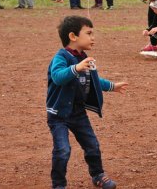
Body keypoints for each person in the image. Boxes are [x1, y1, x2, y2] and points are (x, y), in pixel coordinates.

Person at [47, 15, 128, 189]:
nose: (93, 38)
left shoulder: (84, 58)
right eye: (89, 33)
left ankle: (98, 175)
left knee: (92, 145)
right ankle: (58, 184)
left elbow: (93, 80)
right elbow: (57, 77)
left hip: (77, 112)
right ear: (73, 36)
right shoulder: (61, 57)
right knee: (62, 151)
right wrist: (76, 68)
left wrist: (112, 86)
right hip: (58, 114)